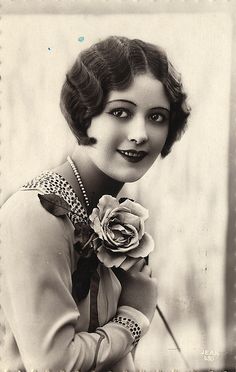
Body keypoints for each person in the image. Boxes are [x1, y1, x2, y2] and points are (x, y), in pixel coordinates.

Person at [0, 36, 190, 371]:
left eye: (157, 117)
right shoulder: (36, 213)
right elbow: (52, 364)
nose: (141, 133)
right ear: (84, 113)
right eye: (121, 112)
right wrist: (132, 318)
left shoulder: (109, 209)